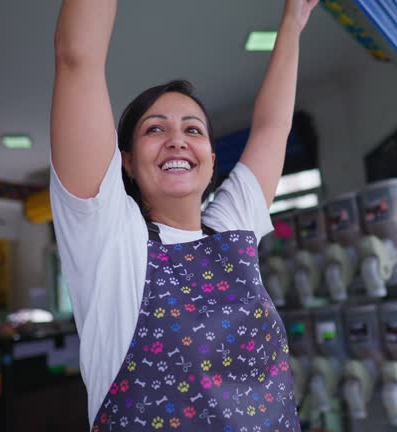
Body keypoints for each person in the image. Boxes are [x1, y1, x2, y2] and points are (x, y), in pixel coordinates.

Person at [49, 1, 319, 430]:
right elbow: (77, 60)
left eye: (192, 129)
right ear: (128, 162)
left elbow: (272, 127)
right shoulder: (111, 241)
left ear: (211, 160)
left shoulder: (233, 225)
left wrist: (293, 21)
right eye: (155, 129)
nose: (177, 140)